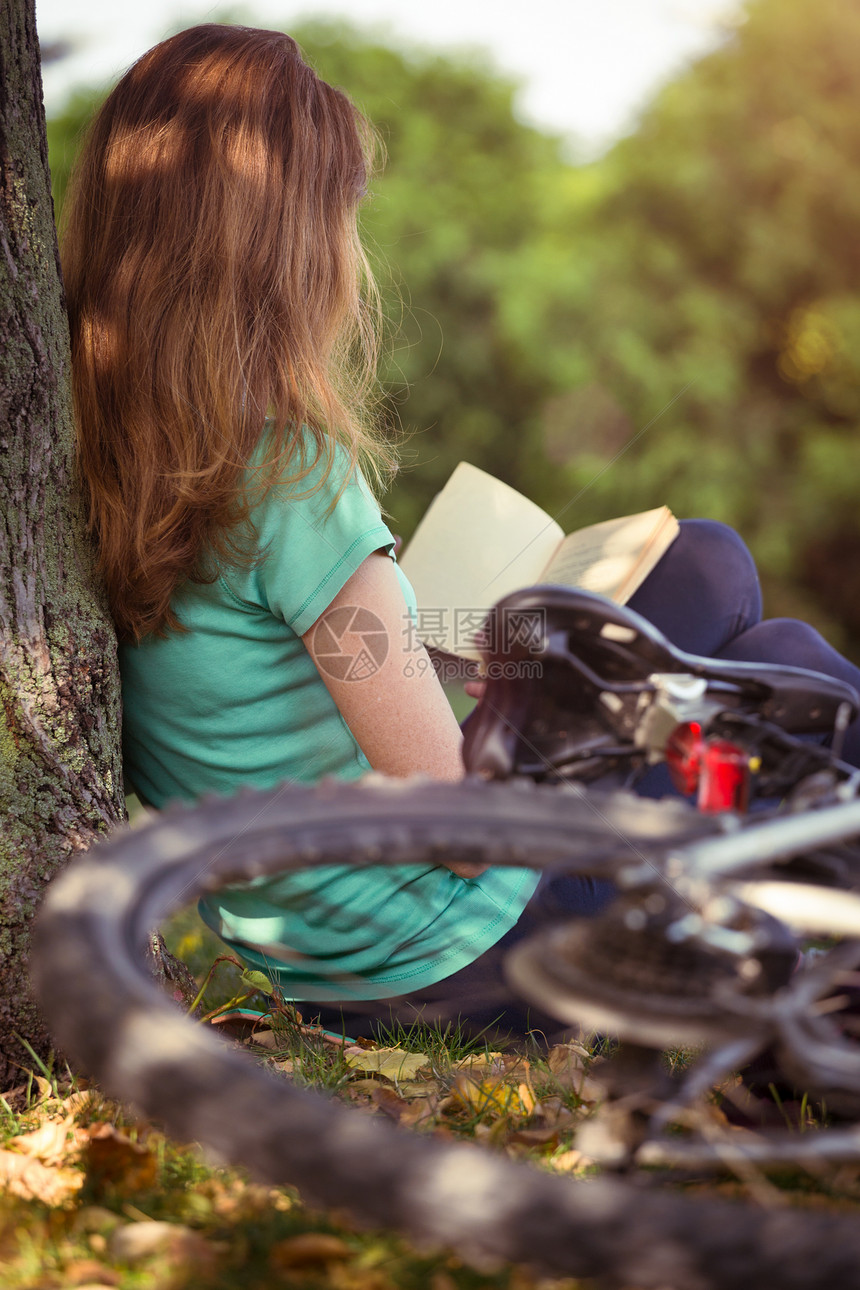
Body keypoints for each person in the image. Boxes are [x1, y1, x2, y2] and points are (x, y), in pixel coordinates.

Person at [63, 23, 860, 1044]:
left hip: (331, 960)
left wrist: (477, 666)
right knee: (778, 665)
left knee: (701, 567)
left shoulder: (101, 459)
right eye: (341, 216)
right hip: (478, 946)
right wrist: (512, 721)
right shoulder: (288, 474)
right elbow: (464, 832)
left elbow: (290, 680)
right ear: (282, 248)